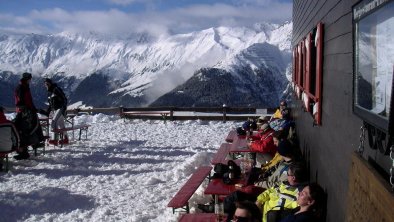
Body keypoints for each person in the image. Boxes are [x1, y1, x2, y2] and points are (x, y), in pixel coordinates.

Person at [13, 72, 45, 160]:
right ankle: (24, 151)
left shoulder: (25, 87)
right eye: (29, 79)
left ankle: (35, 143)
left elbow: (29, 100)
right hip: (23, 113)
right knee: (23, 130)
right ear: (26, 79)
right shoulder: (21, 88)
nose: (30, 80)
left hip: (28, 111)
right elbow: (20, 102)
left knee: (32, 126)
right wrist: (27, 110)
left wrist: (33, 109)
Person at [40, 78, 68, 145]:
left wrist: (63, 108)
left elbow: (64, 98)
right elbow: (51, 105)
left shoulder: (56, 89)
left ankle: (55, 139)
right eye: (45, 84)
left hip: (60, 108)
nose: (46, 85)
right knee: (61, 125)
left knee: (53, 122)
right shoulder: (49, 93)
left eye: (47, 84)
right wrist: (47, 112)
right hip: (55, 110)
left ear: (50, 83)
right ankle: (65, 139)